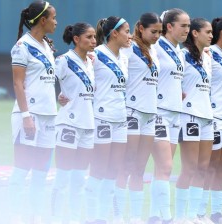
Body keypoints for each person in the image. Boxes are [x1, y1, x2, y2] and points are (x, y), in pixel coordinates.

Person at [9, 1, 57, 223]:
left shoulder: (47, 45)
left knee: (40, 172)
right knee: (22, 170)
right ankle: (14, 215)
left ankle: (35, 216)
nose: (56, 22)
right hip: (29, 116)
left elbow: (43, 82)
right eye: (53, 18)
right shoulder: (22, 46)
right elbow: (18, 85)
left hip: (49, 116)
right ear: (43, 20)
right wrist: (26, 117)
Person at [113, 12, 162, 223]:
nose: (157, 36)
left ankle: (134, 217)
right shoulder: (129, 47)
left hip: (150, 115)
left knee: (140, 168)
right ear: (140, 28)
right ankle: (117, 217)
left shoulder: (154, 50)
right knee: (126, 164)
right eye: (154, 31)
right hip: (131, 111)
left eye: (160, 32)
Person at [83, 16, 131, 224]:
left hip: (120, 119)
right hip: (101, 117)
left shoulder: (125, 57)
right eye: (127, 31)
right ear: (114, 33)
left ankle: (104, 216)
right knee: (99, 168)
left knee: (114, 169)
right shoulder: (96, 56)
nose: (130, 35)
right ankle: (91, 216)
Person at [51, 22, 96, 224]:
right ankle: (55, 219)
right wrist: (59, 95)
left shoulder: (91, 61)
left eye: (95, 37)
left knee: (79, 180)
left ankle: (75, 219)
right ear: (76, 39)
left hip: (88, 125)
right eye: (89, 37)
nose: (94, 41)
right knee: (63, 177)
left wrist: (64, 92)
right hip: (68, 124)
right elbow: (43, 81)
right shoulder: (63, 61)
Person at [148, 8, 190, 224]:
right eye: (183, 25)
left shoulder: (178, 50)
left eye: (189, 26)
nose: (187, 30)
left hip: (176, 114)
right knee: (165, 166)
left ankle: (154, 216)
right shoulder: (155, 47)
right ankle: (166, 217)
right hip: (158, 113)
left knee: (162, 168)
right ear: (169, 26)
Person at [197, 16, 222, 224]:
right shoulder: (208, 53)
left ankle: (217, 212)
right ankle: (201, 212)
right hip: (214, 117)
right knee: (210, 166)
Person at [174, 17, 214, 223]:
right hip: (188, 116)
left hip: (207, 116)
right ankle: (180, 216)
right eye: (207, 32)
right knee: (189, 168)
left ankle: (194, 216)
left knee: (203, 167)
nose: (211, 36)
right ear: (195, 33)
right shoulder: (181, 55)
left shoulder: (208, 57)